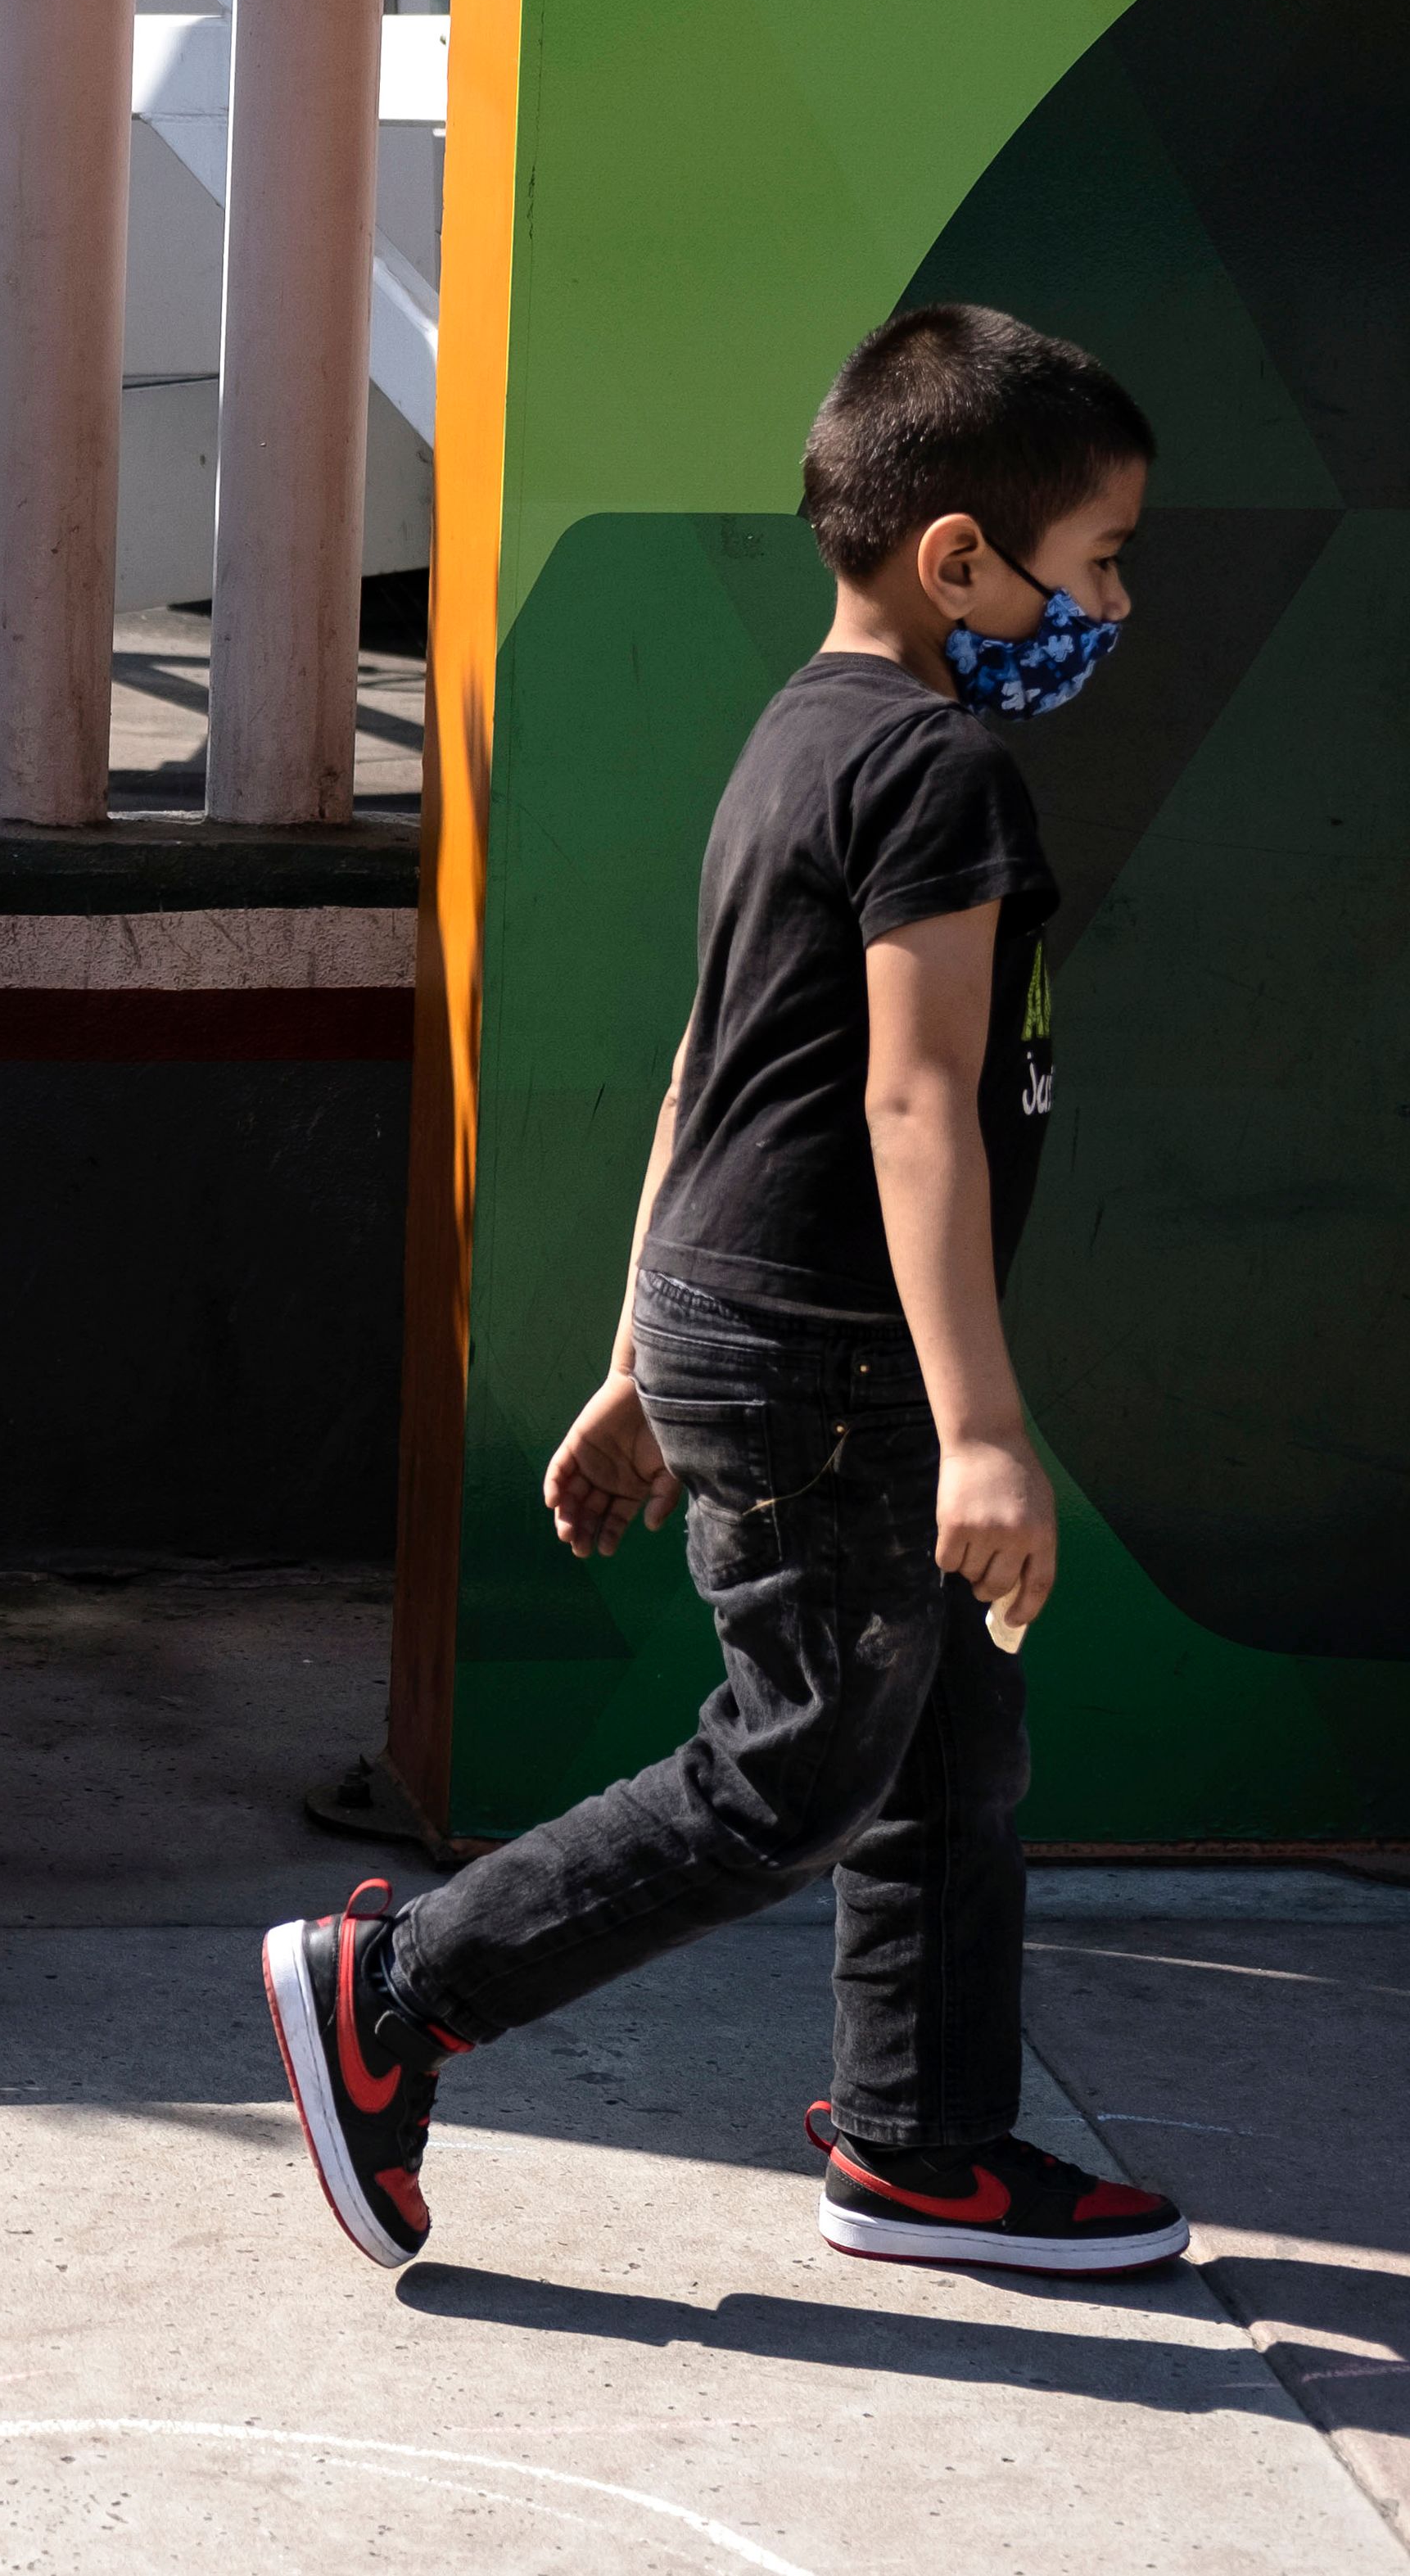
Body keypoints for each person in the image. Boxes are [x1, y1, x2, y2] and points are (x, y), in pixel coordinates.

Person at [262, 305, 1190, 2280]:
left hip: (756, 1327)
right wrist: (986, 1426)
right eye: (1097, 560)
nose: (1115, 600)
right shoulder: (939, 768)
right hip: (835, 1354)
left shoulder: (801, 731)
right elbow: (910, 1095)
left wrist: (630, 1362)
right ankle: (397, 1985)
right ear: (962, 560)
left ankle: (927, 2141)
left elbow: (710, 1060)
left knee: (941, 1746)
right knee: (801, 1757)